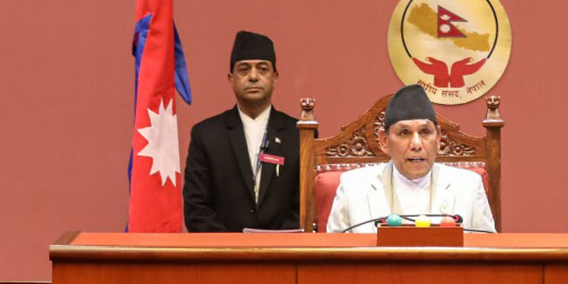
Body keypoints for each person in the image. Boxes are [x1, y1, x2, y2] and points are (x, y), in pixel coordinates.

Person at [325, 83, 496, 232]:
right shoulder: (353, 187)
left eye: (425, 132)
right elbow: (332, 259)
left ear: (438, 139)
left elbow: (488, 257)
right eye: (404, 133)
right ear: (384, 141)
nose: (416, 144)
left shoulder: (468, 187)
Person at [183, 30, 301, 232]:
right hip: (223, 258)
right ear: (231, 79)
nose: (253, 77)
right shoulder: (207, 135)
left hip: (284, 256)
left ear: (275, 77)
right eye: (244, 70)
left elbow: (306, 208)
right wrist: (236, 248)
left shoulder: (298, 134)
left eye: (262, 69)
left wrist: (274, 246)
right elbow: (196, 210)